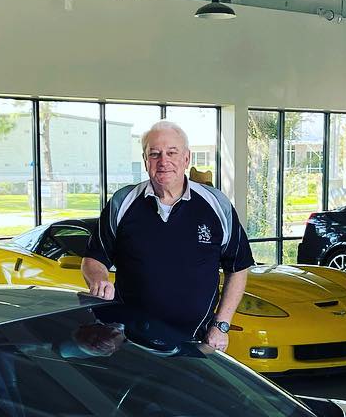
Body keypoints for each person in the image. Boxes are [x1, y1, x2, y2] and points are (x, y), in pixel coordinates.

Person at [82, 120, 254, 352]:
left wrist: (221, 325)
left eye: (172, 153)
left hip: (196, 342)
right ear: (145, 160)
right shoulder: (122, 202)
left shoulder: (216, 204)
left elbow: (238, 267)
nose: (163, 162)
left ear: (186, 158)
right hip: (129, 342)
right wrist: (98, 279)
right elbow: (93, 259)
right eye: (155, 154)